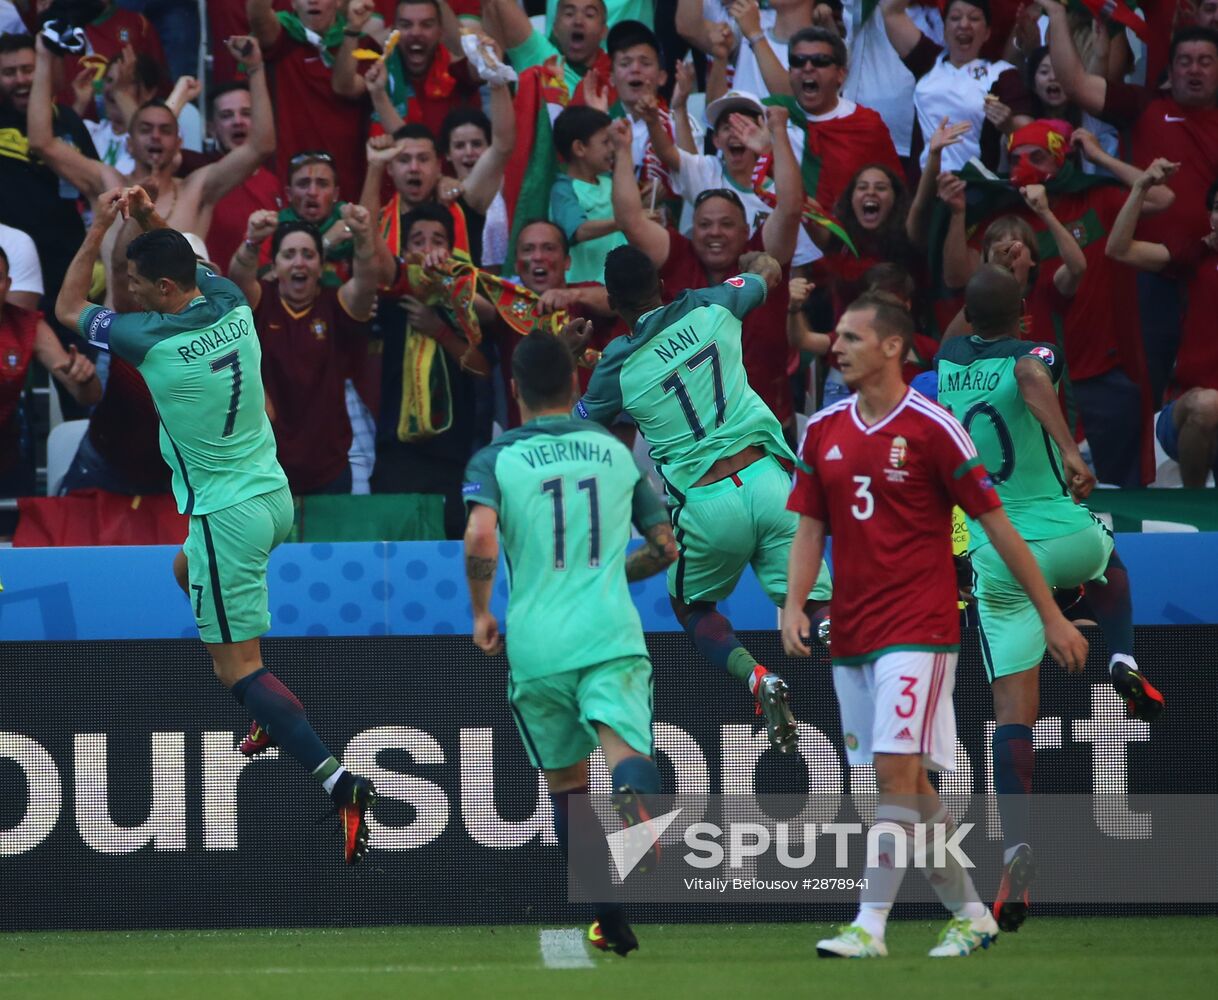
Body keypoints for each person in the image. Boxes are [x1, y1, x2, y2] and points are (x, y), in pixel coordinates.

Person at [56, 185, 376, 865]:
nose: (130, 293)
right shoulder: (230, 300)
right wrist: (145, 214)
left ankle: (340, 782)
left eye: (138, 283)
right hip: (273, 496)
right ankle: (269, 713)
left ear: (164, 287)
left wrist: (101, 226)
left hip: (227, 515)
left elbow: (65, 307)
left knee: (238, 670)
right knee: (183, 569)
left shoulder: (148, 337)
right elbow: (179, 254)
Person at [782, 290, 1089, 958]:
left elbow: (997, 527)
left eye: (851, 338)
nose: (836, 347)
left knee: (896, 776)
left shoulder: (934, 427)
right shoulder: (822, 430)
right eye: (836, 337)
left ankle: (869, 927)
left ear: (892, 347)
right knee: (907, 788)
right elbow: (809, 528)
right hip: (854, 633)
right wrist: (793, 602)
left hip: (919, 629)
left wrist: (1050, 614)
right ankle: (973, 913)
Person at [934, 265, 1164, 934]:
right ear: (1026, 320)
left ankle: (1016, 854)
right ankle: (1121, 659)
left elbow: (966, 330)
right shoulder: (1037, 355)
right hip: (1056, 530)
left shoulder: (949, 361)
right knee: (1111, 566)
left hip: (996, 553)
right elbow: (1033, 377)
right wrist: (1070, 448)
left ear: (970, 322)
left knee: (1013, 713)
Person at [463, 329, 676, 957]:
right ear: (576, 384)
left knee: (567, 785)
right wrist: (616, 570)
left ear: (514, 389)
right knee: (623, 751)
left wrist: (480, 612)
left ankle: (609, 919)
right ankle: (637, 807)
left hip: (536, 645)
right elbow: (666, 547)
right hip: (607, 631)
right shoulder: (613, 451)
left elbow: (480, 534)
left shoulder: (496, 458)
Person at [577, 243, 832, 752]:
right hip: (769, 480)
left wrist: (569, 358)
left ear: (612, 301)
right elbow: (768, 270)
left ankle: (757, 678)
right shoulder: (713, 305)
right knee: (818, 602)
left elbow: (574, 427)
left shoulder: (616, 367)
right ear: (660, 283)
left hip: (705, 504)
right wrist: (750, 267)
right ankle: (834, 636)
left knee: (691, 607)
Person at [611, 107, 805, 437]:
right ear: (691, 230)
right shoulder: (678, 256)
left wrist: (778, 132)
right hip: (695, 439)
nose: (715, 232)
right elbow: (630, 220)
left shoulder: (762, 254)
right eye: (704, 225)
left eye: (727, 224)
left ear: (746, 230)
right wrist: (622, 151)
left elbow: (789, 208)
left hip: (764, 427)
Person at [29, 33, 275, 244]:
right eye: (145, 129)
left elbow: (260, 147)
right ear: (129, 143)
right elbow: (42, 143)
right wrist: (43, 57)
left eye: (166, 130)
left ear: (179, 143)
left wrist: (255, 68)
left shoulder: (196, 189)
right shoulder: (107, 184)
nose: (156, 136)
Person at [228, 207, 380, 496]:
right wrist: (251, 243)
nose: (299, 263)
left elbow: (365, 285)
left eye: (308, 255)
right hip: (265, 467)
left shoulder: (337, 304)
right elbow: (238, 281)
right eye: (289, 255)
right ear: (274, 266)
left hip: (329, 468)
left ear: (321, 266)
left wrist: (363, 239)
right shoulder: (261, 301)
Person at [1107, 160, 1218, 488]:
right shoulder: (1194, 257)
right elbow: (1118, 249)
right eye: (1216, 208)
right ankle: (1194, 507)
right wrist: (1141, 187)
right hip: (1187, 410)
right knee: (1208, 404)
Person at [0, 245, 101, 500]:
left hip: (8, 458)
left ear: (8, 283)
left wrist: (84, 378)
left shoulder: (27, 325)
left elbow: (86, 396)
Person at [880, 0, 1032, 170]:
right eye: (955, 18)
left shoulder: (1002, 74)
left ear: (987, 32)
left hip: (976, 189)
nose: (964, 24)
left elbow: (1031, 133)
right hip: (924, 188)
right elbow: (891, 11)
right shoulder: (928, 60)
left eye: (974, 18)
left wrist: (1009, 125)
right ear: (944, 31)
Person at [332, 0, 482, 141]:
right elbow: (344, 86)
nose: (415, 32)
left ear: (440, 32)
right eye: (406, 25)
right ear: (392, 31)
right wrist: (352, 30)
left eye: (426, 25)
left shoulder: (456, 70)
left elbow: (479, 64)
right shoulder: (378, 67)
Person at [550, 105, 626, 283]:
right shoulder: (563, 190)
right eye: (605, 142)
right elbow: (578, 231)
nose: (612, 149)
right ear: (579, 148)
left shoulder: (610, 181)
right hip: (582, 286)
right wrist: (625, 221)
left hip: (619, 284)